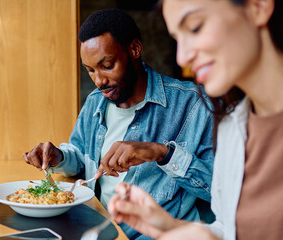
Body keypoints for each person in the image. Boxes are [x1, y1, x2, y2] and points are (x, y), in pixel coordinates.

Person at [23, 9, 215, 239]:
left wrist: (162, 153)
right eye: (90, 70)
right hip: (99, 230)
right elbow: (81, 157)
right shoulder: (96, 101)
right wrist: (60, 157)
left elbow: (219, 191)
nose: (99, 81)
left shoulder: (194, 105)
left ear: (135, 49)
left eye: (107, 65)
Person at [108, 0, 283, 239]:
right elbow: (229, 230)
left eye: (195, 27)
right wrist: (168, 226)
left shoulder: (196, 106)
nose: (182, 57)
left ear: (258, 6)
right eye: (177, 39)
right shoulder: (232, 125)